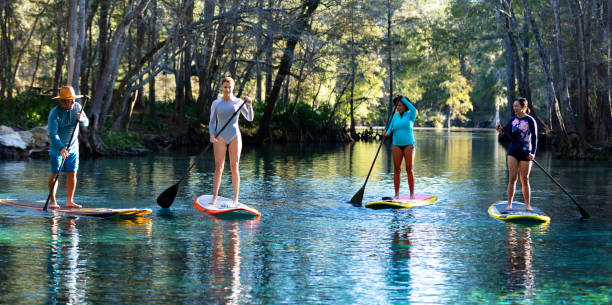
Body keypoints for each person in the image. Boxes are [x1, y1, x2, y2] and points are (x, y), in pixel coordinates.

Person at [209, 76, 254, 206]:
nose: (227, 89)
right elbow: (212, 122)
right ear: (221, 88)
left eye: (229, 87)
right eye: (225, 87)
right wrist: (212, 135)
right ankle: (215, 197)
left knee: (234, 167)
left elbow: (250, 118)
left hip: (235, 135)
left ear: (233, 88)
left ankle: (235, 199)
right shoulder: (216, 103)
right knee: (219, 167)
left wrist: (250, 105)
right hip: (220, 136)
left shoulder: (239, 102)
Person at [48, 85, 89, 209]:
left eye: (73, 99)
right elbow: (53, 134)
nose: (73, 101)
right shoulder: (54, 113)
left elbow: (87, 123)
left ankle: (69, 201)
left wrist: (81, 119)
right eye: (69, 100)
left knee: (72, 173)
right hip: (57, 148)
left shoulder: (77, 107)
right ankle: (53, 201)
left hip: (73, 147)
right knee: (55, 174)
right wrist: (61, 148)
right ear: (62, 101)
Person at [496, 97, 538, 211]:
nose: (515, 108)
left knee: (525, 179)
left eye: (517, 106)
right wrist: (500, 131)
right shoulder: (512, 120)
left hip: (526, 153)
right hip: (513, 152)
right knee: (512, 178)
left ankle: (528, 206)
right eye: (514, 106)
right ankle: (509, 204)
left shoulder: (530, 120)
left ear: (523, 107)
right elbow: (508, 136)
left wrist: (533, 153)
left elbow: (534, 138)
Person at [383, 94, 418, 200]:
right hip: (396, 145)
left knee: (409, 170)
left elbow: (413, 108)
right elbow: (389, 129)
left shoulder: (411, 115)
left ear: (405, 106)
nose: (398, 107)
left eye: (401, 105)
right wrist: (386, 132)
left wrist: (403, 98)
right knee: (397, 170)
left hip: (409, 145)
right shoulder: (394, 116)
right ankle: (397, 195)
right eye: (397, 105)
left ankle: (412, 195)